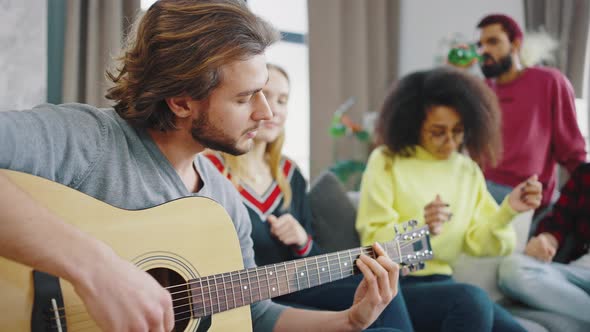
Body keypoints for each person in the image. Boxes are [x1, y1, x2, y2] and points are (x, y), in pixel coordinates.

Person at [0, 1, 400, 331]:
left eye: (265, 93)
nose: (265, 115)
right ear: (181, 101)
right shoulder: (88, 139)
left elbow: (255, 315)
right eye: (245, 98)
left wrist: (349, 321)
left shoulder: (222, 202)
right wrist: (94, 267)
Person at [205, 63, 414, 331]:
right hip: (248, 303)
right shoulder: (211, 172)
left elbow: (312, 260)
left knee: (384, 295)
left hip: (296, 287)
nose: (273, 109)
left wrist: (302, 240)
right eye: (263, 95)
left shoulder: (290, 174)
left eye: (282, 100)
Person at [355, 67, 543, 332]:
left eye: (458, 131)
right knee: (473, 300)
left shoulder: (467, 169)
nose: (450, 142)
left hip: (444, 282)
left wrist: (508, 210)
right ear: (414, 124)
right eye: (437, 131)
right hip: (396, 287)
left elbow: (479, 243)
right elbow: (371, 241)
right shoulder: (387, 160)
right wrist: (422, 227)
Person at [475, 14, 586, 216]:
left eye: (493, 42)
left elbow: (571, 150)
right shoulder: (481, 90)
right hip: (481, 194)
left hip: (527, 195)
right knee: (424, 235)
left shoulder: (549, 81)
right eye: (480, 45)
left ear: (516, 44)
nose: (485, 51)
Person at [498, 162, 590, 323]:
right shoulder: (585, 174)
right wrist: (545, 241)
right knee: (513, 269)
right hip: (575, 275)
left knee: (554, 323)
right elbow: (558, 223)